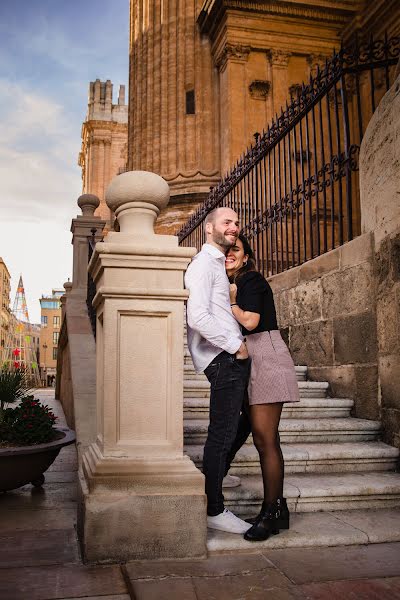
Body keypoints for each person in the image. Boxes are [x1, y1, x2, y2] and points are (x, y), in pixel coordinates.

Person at [225, 233, 300, 542]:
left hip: (265, 355)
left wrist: (230, 301)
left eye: (236, 249)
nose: (230, 253)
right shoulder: (233, 284)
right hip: (250, 359)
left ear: (246, 258)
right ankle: (276, 510)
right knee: (259, 436)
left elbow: (252, 322)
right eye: (226, 249)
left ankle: (272, 512)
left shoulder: (251, 281)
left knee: (265, 439)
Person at [185, 207, 251, 534]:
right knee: (221, 433)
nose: (235, 227)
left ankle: (215, 476)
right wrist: (233, 344)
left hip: (229, 358)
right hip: (223, 360)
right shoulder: (202, 265)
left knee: (239, 425)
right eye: (227, 222)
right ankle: (214, 508)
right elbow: (196, 316)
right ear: (209, 228)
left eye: (237, 223)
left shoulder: (215, 265)